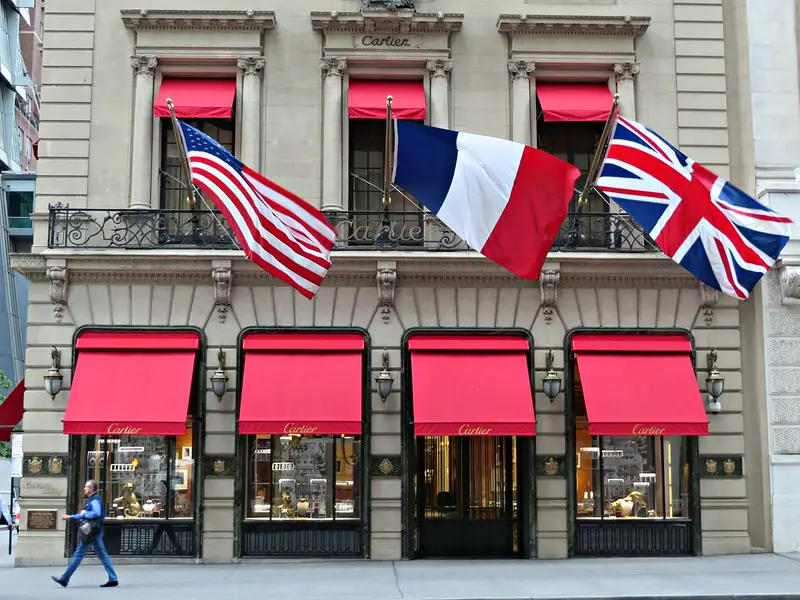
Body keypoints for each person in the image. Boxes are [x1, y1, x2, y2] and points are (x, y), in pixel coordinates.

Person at [52, 480, 119, 588]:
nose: (84, 488)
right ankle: (113, 578)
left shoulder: (94, 500)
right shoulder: (94, 499)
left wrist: (80, 514)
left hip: (91, 532)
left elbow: (96, 513)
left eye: (87, 487)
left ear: (92, 489)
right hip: (95, 532)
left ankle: (64, 579)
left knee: (78, 555)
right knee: (103, 555)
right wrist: (73, 516)